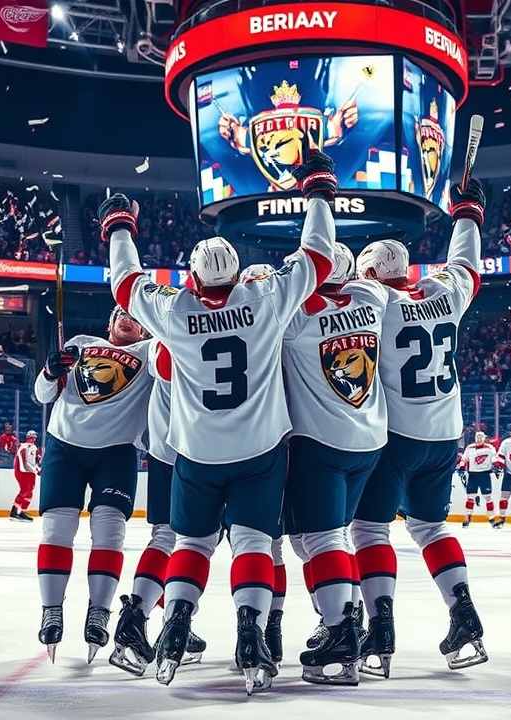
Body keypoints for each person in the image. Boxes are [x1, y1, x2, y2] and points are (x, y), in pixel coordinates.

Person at [106, 149, 336, 694]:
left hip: (195, 452)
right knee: (255, 542)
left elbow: (125, 282)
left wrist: (119, 226)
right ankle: (251, 631)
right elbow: (318, 257)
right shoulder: (265, 297)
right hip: (260, 450)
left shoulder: (174, 309)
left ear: (191, 277)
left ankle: (176, 622)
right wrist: (319, 190)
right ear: (236, 274)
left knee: (191, 543)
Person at [349, 176, 488, 676]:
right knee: (431, 527)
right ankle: (464, 613)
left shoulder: (373, 303)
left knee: (368, 528)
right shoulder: (445, 292)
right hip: (445, 433)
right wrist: (468, 214)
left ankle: (380, 627)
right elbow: (465, 264)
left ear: (370, 274)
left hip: (396, 436)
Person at [280, 243, 386, 686]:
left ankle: (342, 633)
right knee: (320, 539)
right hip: (369, 441)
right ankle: (344, 617)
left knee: (322, 539)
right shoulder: (371, 299)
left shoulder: (296, 317)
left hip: (321, 442)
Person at [33, 306, 153, 664]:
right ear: (108, 324)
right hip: (64, 445)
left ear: (145, 329)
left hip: (116, 451)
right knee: (57, 530)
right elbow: (43, 394)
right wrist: (49, 372)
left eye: (135, 316)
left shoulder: (150, 353)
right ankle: (51, 610)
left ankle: (99, 611)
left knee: (110, 533)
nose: (127, 317)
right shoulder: (81, 343)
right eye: (120, 314)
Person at [108, 340, 206, 677]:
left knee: (166, 537)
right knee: (198, 543)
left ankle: (136, 618)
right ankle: (175, 622)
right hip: (205, 450)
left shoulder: (161, 338)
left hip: (164, 448)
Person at [456, 431, 500, 528]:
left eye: (481, 437)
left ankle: (492, 518)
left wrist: (496, 465)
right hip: (473, 474)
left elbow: (494, 458)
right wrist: (462, 465)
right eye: (477, 437)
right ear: (475, 438)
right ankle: (467, 517)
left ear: (484, 438)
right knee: (470, 497)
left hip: (485, 474)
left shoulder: (489, 448)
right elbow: (464, 458)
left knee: (488, 497)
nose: (479, 439)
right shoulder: (470, 448)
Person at [11, 430, 40, 522]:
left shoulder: (34, 447)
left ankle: (23, 512)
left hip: (31, 472)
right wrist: (34, 469)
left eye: (34, 437)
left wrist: (36, 468)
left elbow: (34, 461)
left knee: (30, 491)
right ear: (27, 437)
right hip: (22, 471)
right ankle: (14, 512)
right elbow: (24, 462)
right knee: (24, 490)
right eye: (31, 437)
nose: (33, 439)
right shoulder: (23, 447)